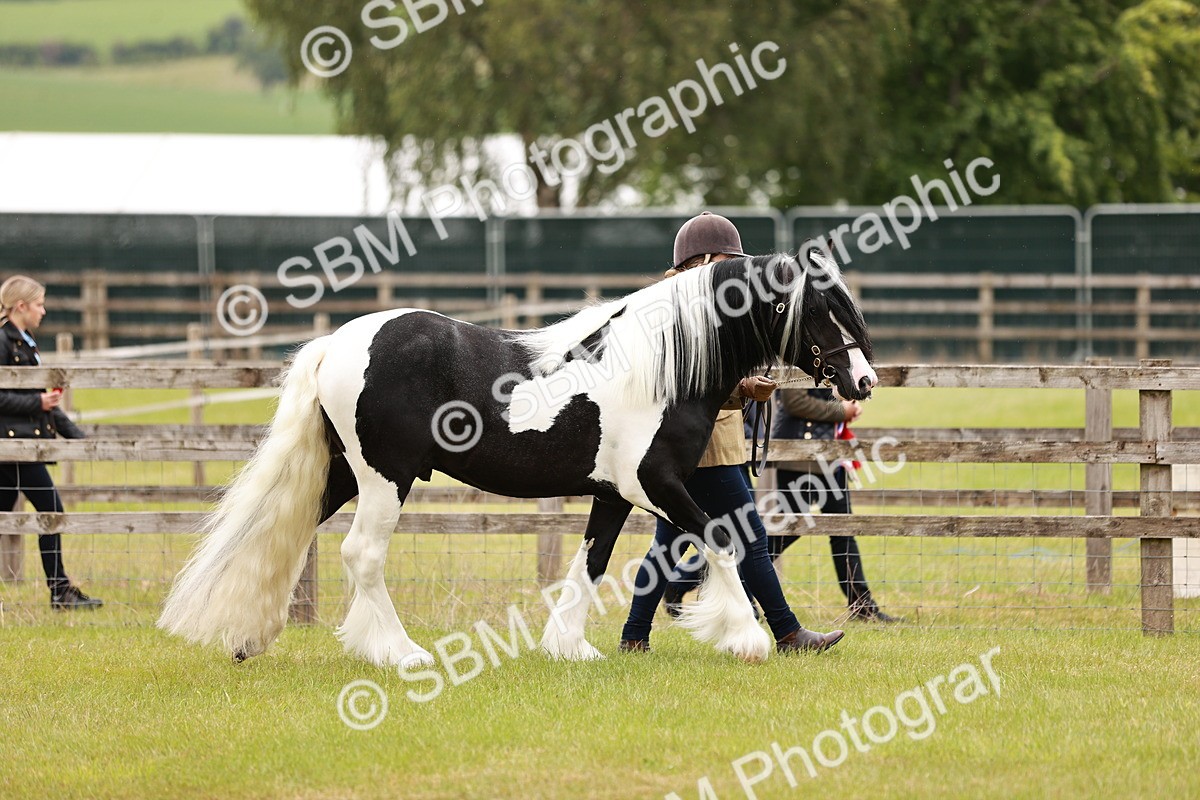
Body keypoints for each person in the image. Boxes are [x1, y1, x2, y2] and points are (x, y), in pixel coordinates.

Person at [617, 212, 844, 654]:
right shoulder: (686, 305)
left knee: (667, 545)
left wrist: (743, 384)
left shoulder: (688, 300)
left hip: (702, 443)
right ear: (702, 260)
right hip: (704, 448)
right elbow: (688, 381)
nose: (735, 268)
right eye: (727, 259)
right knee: (751, 539)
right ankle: (789, 633)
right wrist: (742, 388)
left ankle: (634, 636)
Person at [0, 275, 101, 610]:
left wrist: (79, 439)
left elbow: (46, 404)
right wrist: (37, 402)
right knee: (51, 511)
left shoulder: (25, 343)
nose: (43, 311)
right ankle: (60, 591)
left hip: (25, 446)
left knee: (23, 513)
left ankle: (60, 590)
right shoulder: (3, 341)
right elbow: (28, 400)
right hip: (15, 448)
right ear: (21, 306)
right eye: (39, 305)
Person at [769, 387, 899, 622]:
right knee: (786, 529)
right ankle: (734, 578)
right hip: (801, 457)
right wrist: (841, 410)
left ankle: (863, 607)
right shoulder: (795, 364)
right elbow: (794, 400)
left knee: (843, 530)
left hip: (832, 455)